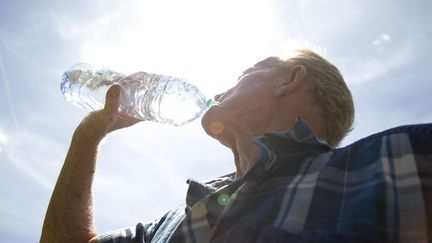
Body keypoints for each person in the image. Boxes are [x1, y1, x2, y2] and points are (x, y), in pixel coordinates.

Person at [40, 50, 432, 243]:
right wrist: (88, 137)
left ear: (290, 81)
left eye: (244, 75)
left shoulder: (400, 160)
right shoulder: (175, 220)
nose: (219, 92)